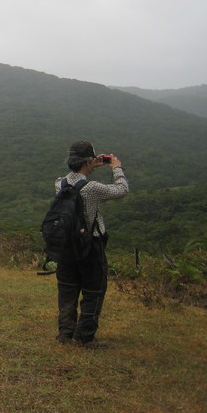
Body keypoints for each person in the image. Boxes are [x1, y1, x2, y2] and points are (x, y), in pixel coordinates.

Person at [55, 140, 128, 349]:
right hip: (91, 245)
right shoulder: (92, 188)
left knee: (68, 289)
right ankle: (84, 337)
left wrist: (89, 165)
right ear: (88, 161)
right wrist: (117, 168)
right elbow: (122, 190)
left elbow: (76, 179)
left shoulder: (59, 183)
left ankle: (65, 333)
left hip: (66, 247)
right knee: (94, 289)